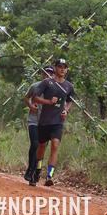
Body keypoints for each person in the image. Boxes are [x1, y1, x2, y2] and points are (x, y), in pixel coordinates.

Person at [31, 58, 74, 186]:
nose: (62, 69)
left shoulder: (69, 86)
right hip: (44, 121)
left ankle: (49, 175)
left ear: (66, 70)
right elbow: (35, 97)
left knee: (55, 145)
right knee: (42, 146)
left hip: (58, 122)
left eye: (64, 67)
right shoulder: (46, 83)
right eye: (60, 66)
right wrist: (48, 102)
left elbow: (69, 101)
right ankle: (38, 169)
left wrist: (66, 110)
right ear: (55, 68)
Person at [23, 65, 54, 185]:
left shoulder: (54, 90)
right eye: (46, 73)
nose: (48, 76)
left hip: (46, 123)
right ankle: (30, 169)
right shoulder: (35, 86)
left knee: (42, 148)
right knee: (35, 144)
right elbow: (27, 97)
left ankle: (36, 173)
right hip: (33, 120)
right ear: (42, 75)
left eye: (51, 74)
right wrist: (31, 106)